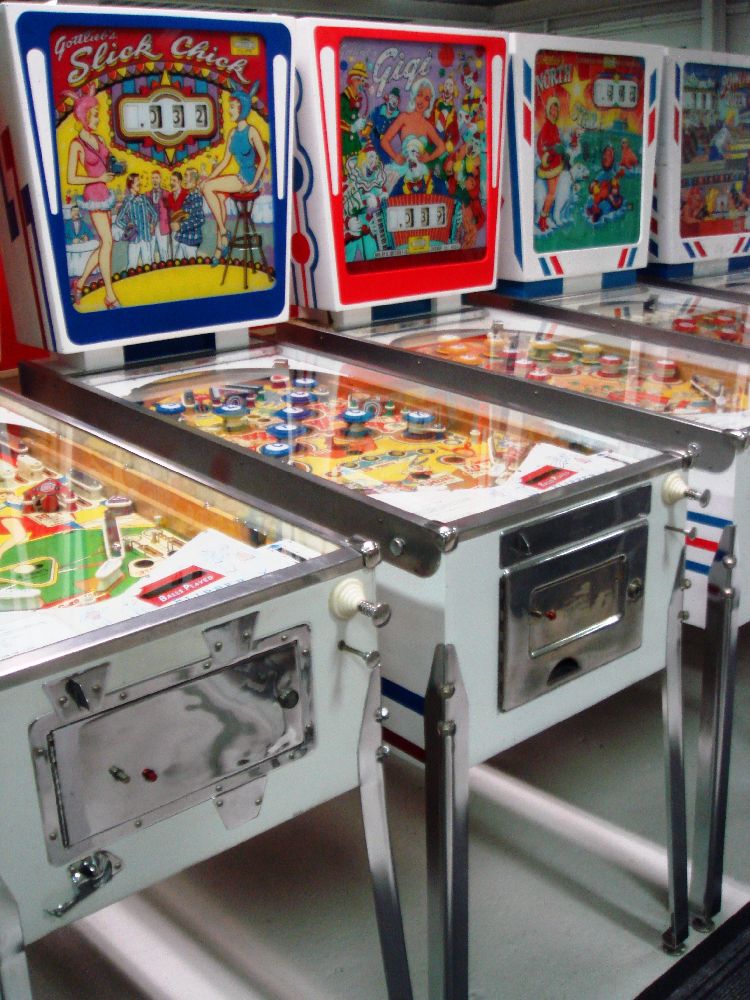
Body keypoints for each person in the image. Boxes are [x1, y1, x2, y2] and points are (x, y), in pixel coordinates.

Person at [200, 82, 267, 266]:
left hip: (248, 178)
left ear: (241, 109)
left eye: (232, 107)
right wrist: (209, 178)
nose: (229, 111)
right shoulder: (232, 133)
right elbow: (224, 162)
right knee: (219, 198)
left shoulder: (252, 131)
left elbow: (263, 158)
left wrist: (252, 184)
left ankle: (223, 234)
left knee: (208, 188)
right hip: (239, 177)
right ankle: (220, 246)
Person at [65, 85, 120, 307]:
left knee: (105, 244)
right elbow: (71, 177)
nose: (98, 119)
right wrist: (98, 178)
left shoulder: (100, 140)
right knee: (107, 242)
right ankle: (110, 296)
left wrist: (116, 168)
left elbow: (108, 163)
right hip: (93, 195)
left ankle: (79, 284)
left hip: (105, 194)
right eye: (95, 114)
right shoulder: (76, 144)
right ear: (85, 115)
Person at [380, 78, 446, 168]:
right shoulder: (404, 117)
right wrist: (395, 157)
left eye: (427, 99)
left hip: (419, 170)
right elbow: (384, 141)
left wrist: (429, 158)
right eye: (419, 95)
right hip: (402, 167)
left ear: (429, 104)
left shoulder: (427, 126)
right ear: (414, 96)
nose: (422, 101)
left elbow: (442, 147)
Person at [536, 96, 566, 234]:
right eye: (552, 109)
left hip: (556, 164)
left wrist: (561, 150)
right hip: (550, 166)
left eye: (556, 109)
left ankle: (544, 218)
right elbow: (542, 145)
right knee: (551, 194)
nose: (554, 112)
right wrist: (554, 149)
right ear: (549, 110)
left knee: (552, 194)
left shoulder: (554, 126)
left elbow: (557, 143)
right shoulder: (547, 127)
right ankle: (542, 219)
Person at [115, 173, 158, 268]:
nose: (140, 183)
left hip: (146, 237)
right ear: (131, 184)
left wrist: (152, 224)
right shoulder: (128, 201)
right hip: (134, 238)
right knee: (132, 265)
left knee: (148, 264)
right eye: (137, 181)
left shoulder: (144, 199)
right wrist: (127, 226)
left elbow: (154, 214)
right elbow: (118, 220)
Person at [172, 168, 205, 260]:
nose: (184, 179)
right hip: (183, 238)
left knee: (190, 265)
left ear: (194, 180)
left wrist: (180, 226)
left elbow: (200, 219)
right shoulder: (189, 195)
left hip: (191, 240)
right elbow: (187, 214)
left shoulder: (196, 196)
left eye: (186, 176)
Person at [149, 171, 171, 262]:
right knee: (150, 250)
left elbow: (170, 211)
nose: (155, 180)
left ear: (160, 179)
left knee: (163, 250)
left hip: (163, 225)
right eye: (153, 178)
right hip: (151, 225)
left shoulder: (166, 193)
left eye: (156, 178)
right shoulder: (147, 194)